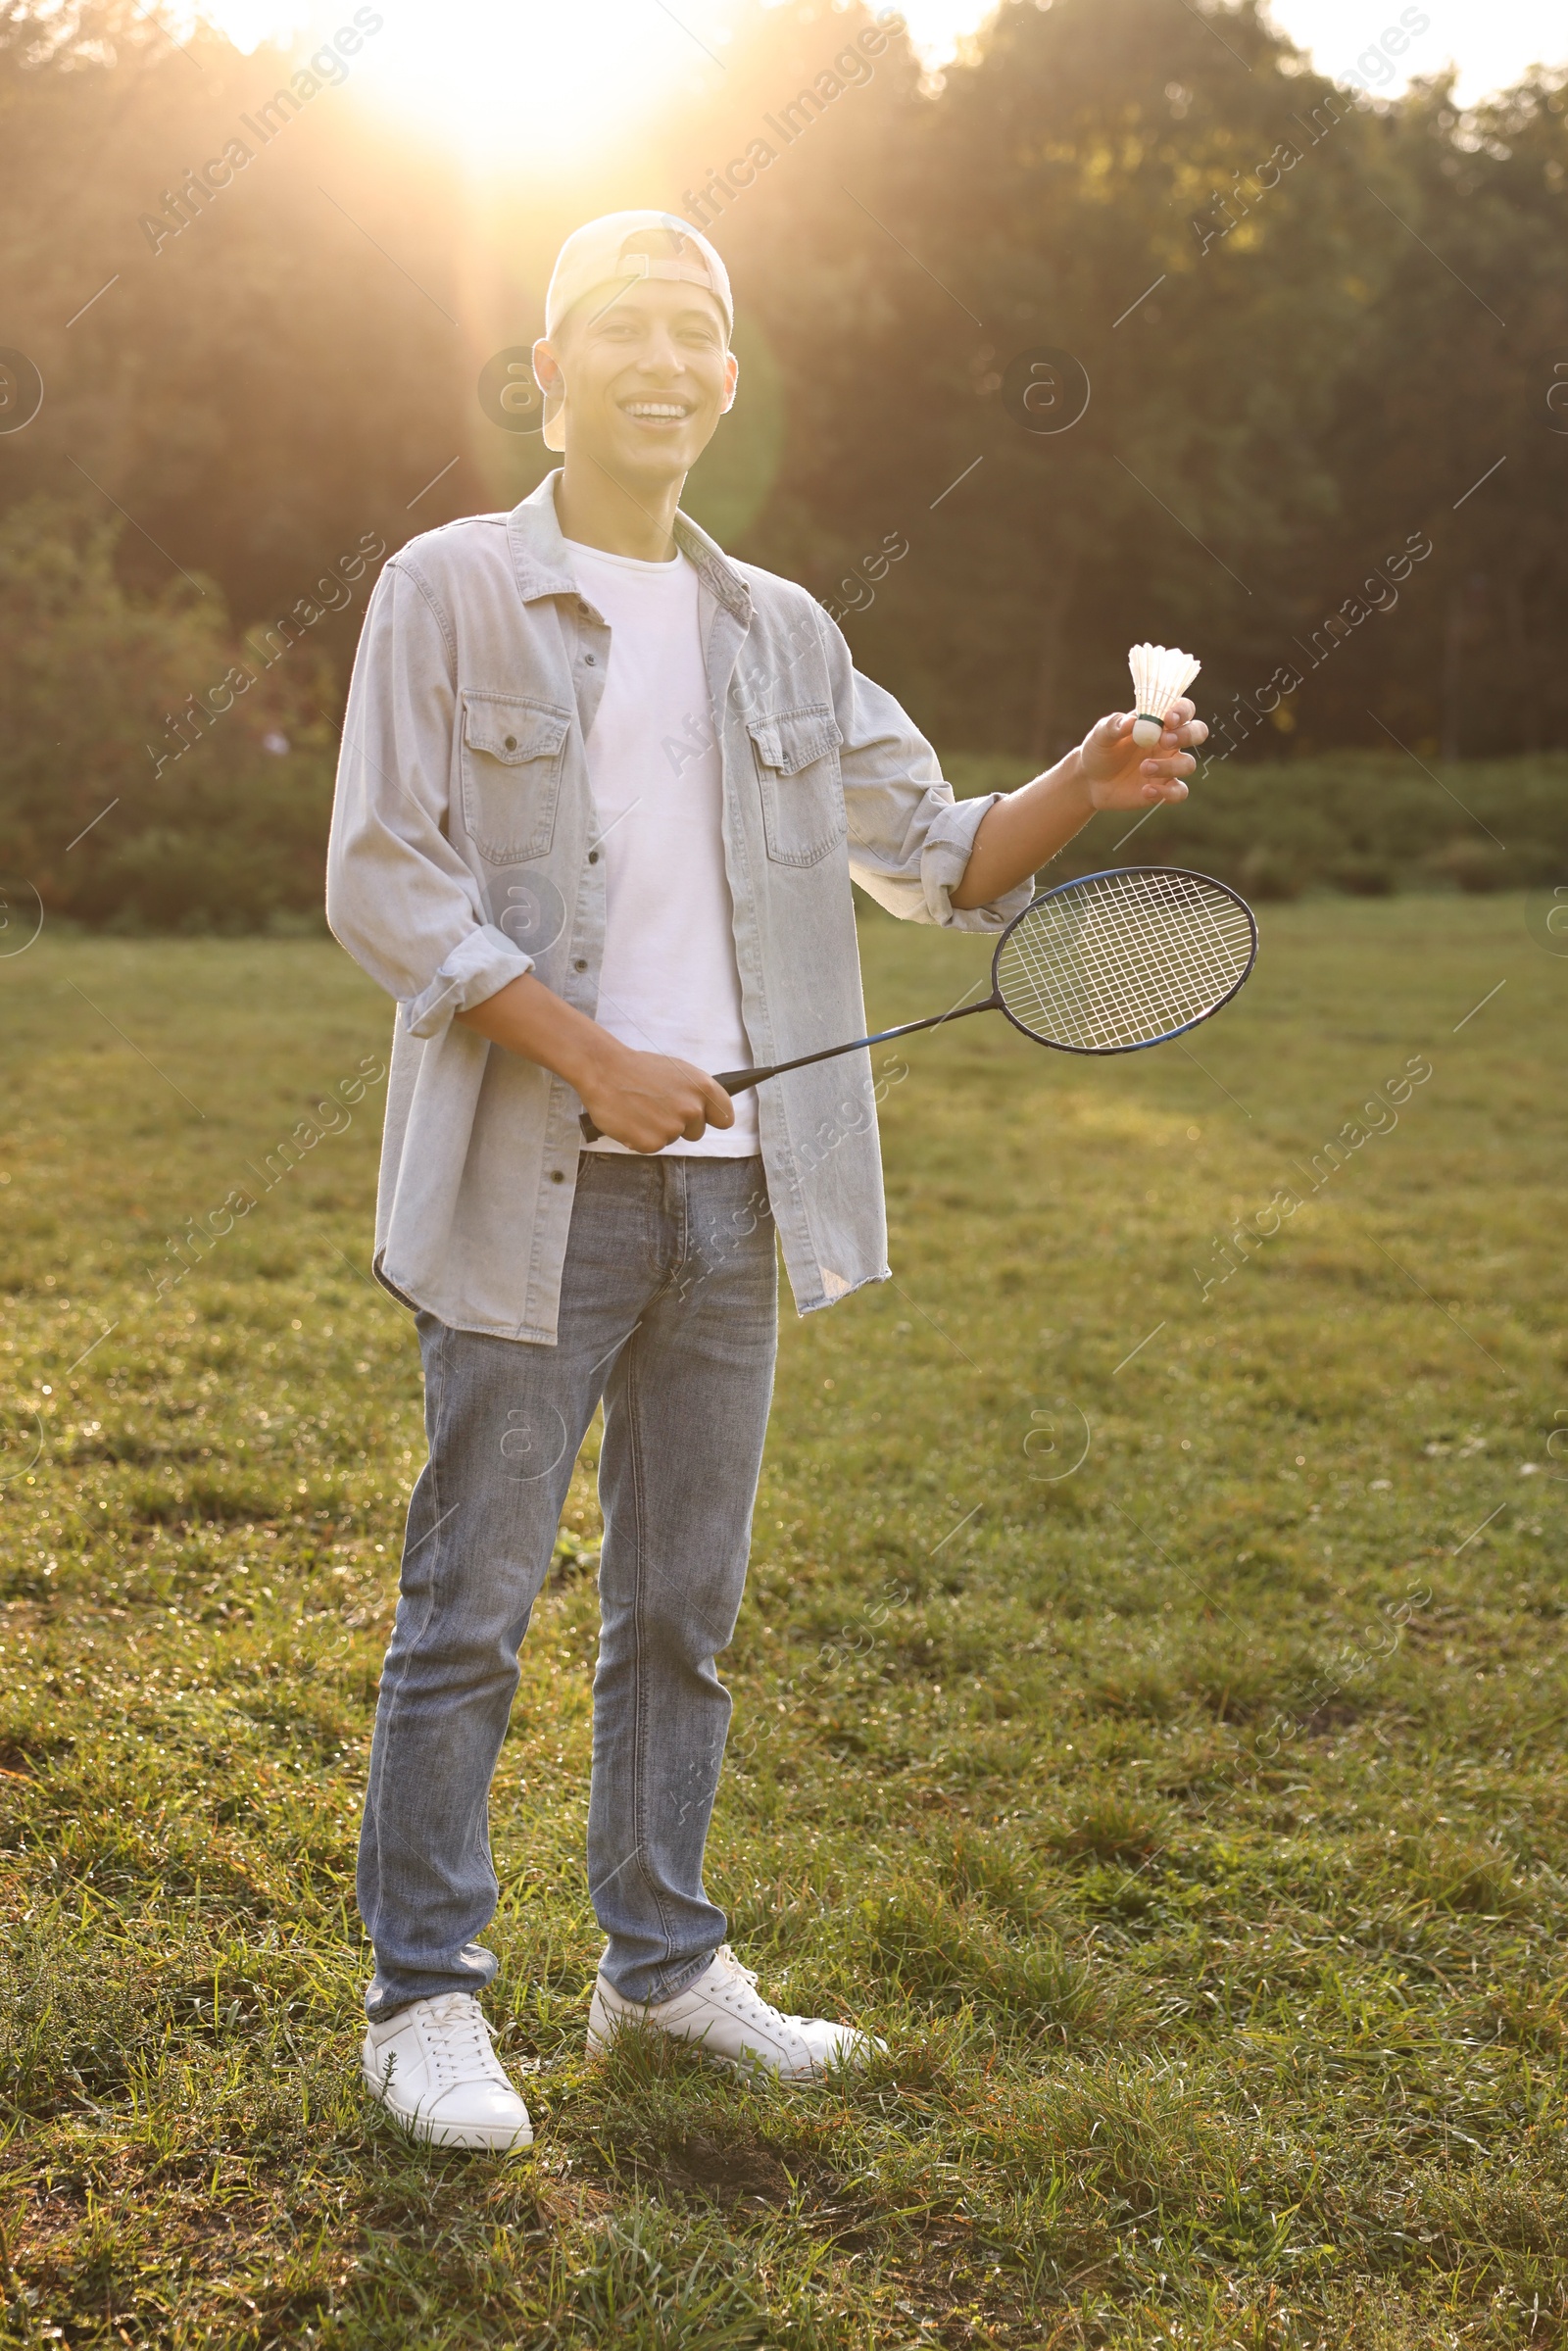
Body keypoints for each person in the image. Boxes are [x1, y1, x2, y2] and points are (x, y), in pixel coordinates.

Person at [326, 209, 1204, 2151]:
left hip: (735, 1204)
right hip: (527, 1182)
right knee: (467, 1605)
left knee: (678, 1611)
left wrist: (1077, 777)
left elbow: (940, 860)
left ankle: (656, 1970)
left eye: (694, 333)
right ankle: (424, 1999)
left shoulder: (780, 629)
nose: (659, 360)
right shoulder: (451, 587)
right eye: (618, 328)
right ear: (546, 372)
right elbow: (386, 880)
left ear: (726, 381)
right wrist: (587, 1055)